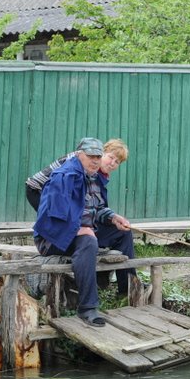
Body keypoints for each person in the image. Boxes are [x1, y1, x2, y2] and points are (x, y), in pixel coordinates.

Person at [33, 137, 135, 327]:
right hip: (52, 239)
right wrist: (78, 229)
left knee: (123, 233)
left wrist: (113, 218)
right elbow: (53, 215)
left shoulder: (95, 177)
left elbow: (97, 210)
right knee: (89, 242)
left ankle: (127, 287)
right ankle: (87, 308)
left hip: (78, 233)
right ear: (79, 155)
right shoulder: (65, 176)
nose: (95, 161)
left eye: (98, 156)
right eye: (91, 156)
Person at [25, 138, 128, 211]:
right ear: (103, 152)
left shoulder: (98, 172)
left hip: (54, 191)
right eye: (111, 157)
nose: (112, 163)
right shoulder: (81, 162)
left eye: (117, 162)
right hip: (37, 189)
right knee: (52, 219)